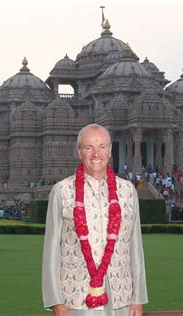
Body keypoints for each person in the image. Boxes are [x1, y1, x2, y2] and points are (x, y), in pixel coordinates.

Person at [42, 124, 148, 316]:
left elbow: (135, 247)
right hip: (75, 297)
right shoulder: (62, 191)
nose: (96, 154)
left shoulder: (127, 191)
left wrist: (138, 299)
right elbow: (51, 250)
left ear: (110, 151)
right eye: (88, 147)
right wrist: (56, 302)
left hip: (121, 296)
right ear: (79, 151)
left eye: (102, 147)